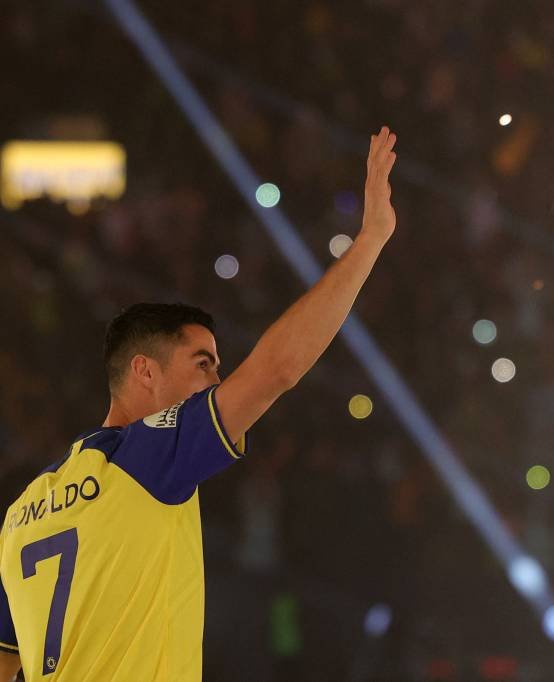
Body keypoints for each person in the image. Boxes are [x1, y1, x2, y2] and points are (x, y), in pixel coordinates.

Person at [0, 126, 398, 681]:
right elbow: (276, 370)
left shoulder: (21, 512)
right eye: (203, 363)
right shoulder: (147, 455)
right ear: (144, 370)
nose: (217, 381)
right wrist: (371, 241)